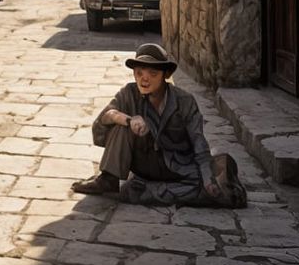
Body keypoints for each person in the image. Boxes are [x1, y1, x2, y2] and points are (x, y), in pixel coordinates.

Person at [72, 44, 246, 207]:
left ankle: (149, 192)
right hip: (144, 163)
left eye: (152, 74)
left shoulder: (185, 101)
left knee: (215, 189)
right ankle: (108, 179)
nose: (144, 80)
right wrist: (129, 120)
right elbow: (106, 117)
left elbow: (199, 145)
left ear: (165, 75)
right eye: (139, 73)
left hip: (178, 169)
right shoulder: (128, 93)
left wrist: (208, 180)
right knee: (120, 126)